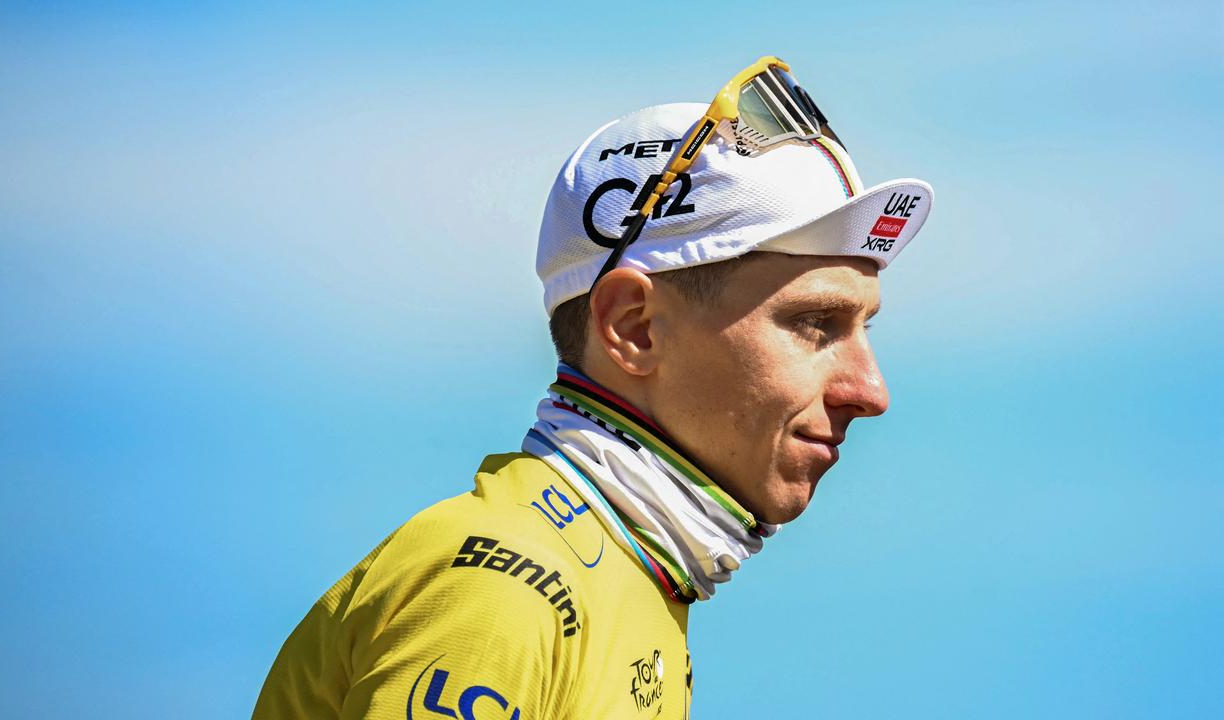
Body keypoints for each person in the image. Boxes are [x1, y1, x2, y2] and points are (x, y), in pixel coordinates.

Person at [253, 56, 932, 720]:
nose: (870, 390)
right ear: (634, 328)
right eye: (816, 324)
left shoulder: (627, 575)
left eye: (864, 326)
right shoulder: (506, 582)